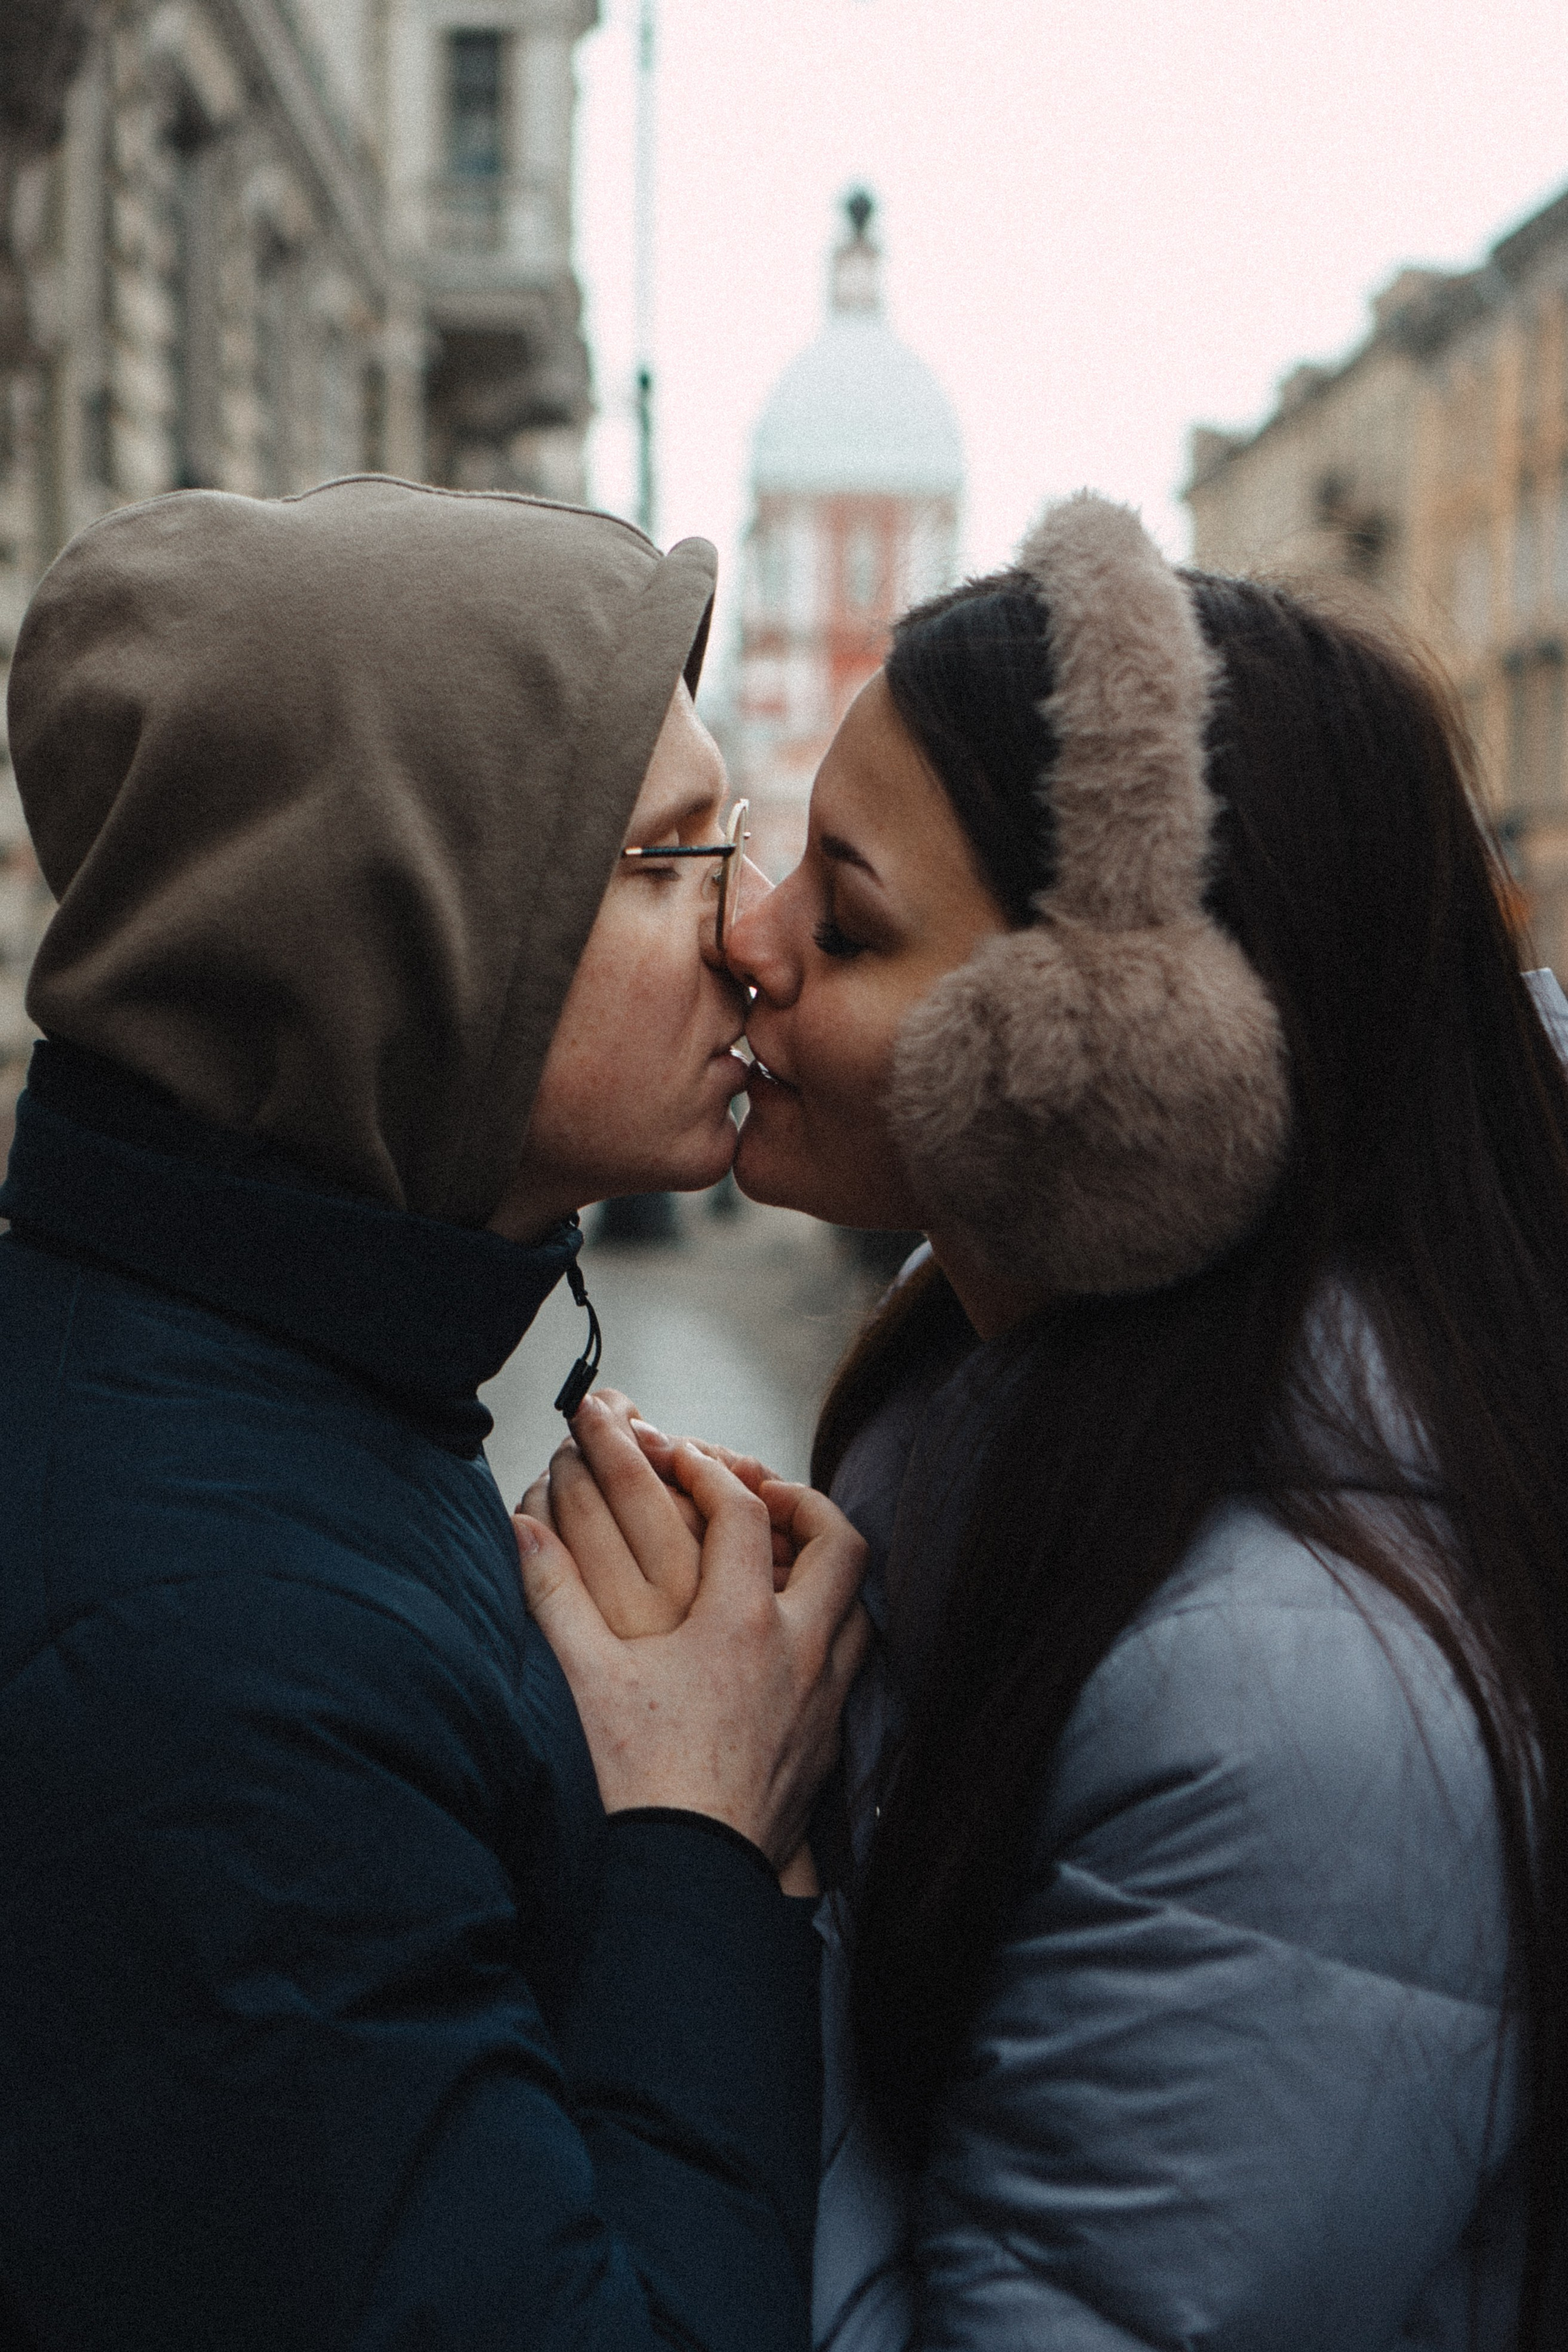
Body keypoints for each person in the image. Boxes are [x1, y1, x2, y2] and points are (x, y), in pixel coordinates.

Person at [524, 496, 1568, 2350]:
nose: (742, 943)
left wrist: (724, 1867)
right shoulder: (1005, 1438)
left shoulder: (1293, 1717)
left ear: (1123, 1076)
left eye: (840, 920)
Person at [0, 475, 869, 2352]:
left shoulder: (297, 1395)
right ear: (414, 933)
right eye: (669, 858)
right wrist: (701, 1840)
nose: (744, 935)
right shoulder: (214, 1659)